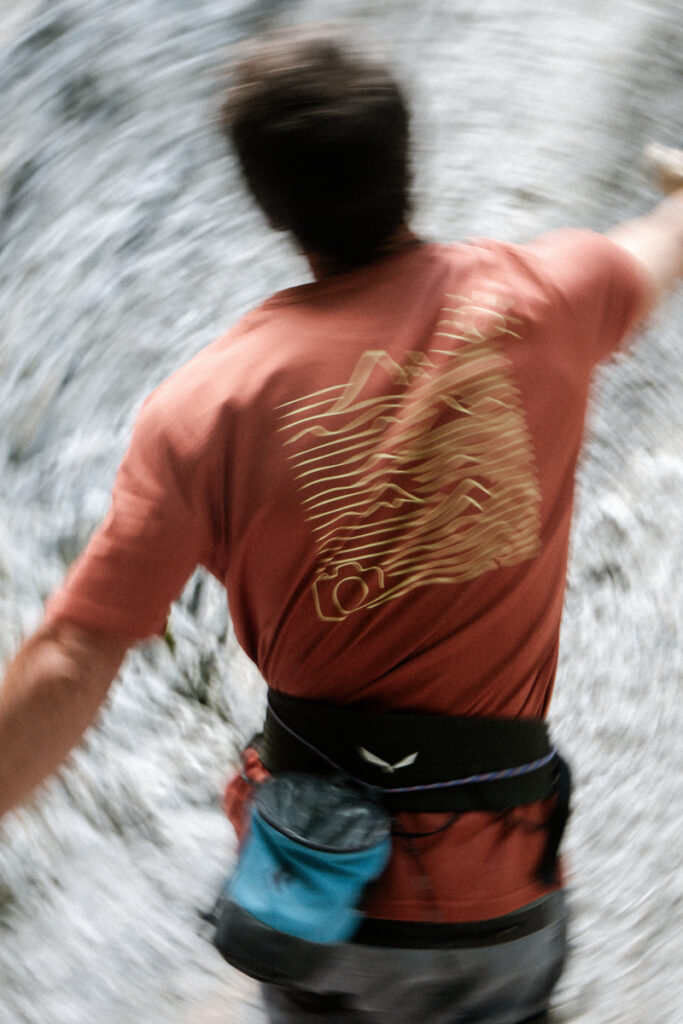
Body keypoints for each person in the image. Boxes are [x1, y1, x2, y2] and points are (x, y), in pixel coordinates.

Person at [1, 26, 682, 1024]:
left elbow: (73, 656)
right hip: (504, 903)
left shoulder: (204, 409)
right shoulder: (549, 294)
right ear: (404, 157)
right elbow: (658, 245)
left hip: (314, 908)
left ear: (266, 202)